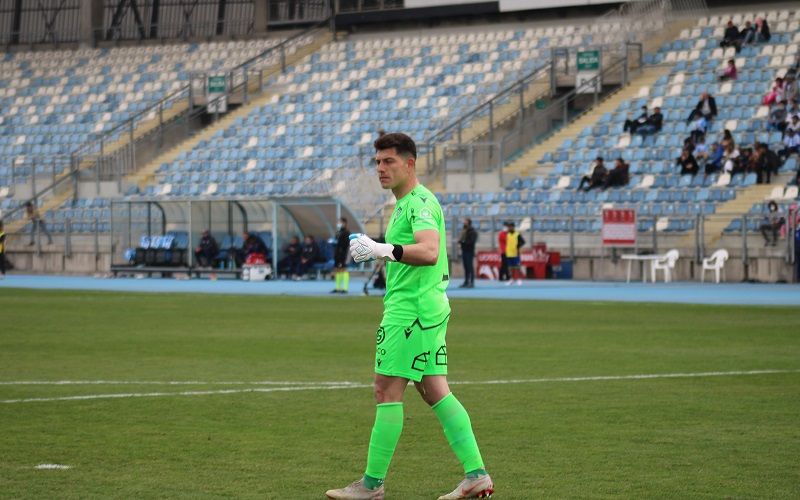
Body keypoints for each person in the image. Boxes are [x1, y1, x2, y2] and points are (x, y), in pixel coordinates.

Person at [327, 133, 493, 500]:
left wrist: (384, 248)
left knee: (385, 390)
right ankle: (476, 475)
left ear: (409, 163)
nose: (381, 169)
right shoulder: (406, 204)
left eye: (389, 162)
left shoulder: (418, 203)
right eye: (377, 163)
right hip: (426, 308)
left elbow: (430, 251)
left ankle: (371, 486)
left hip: (411, 313)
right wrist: (380, 253)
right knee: (434, 390)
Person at [331, 217, 351, 294]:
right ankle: (338, 287)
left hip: (343, 253)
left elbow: (346, 244)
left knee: (343, 269)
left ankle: (345, 288)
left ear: (344, 223)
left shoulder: (346, 232)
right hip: (337, 253)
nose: (338, 224)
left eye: (340, 222)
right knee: (337, 269)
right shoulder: (338, 232)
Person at [458, 218, 478, 288]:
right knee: (466, 267)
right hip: (464, 250)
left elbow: (472, 242)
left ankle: (471, 282)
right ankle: (466, 281)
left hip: (469, 251)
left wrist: (463, 242)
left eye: (465, 221)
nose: (464, 222)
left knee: (470, 267)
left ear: (469, 222)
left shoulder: (472, 231)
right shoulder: (464, 230)